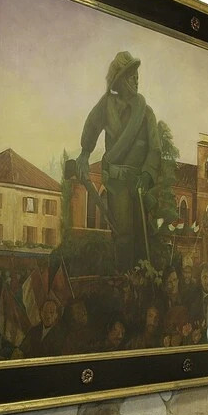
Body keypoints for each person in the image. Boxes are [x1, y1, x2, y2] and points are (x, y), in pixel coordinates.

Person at [76, 51, 161, 273]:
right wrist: (84, 154)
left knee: (143, 236)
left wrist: (147, 175)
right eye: (132, 76)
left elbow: (155, 150)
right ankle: (124, 281)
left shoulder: (146, 113)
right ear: (121, 79)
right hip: (117, 184)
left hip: (140, 184)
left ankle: (143, 280)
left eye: (137, 75)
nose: (137, 79)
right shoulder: (107, 106)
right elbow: (91, 126)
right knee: (123, 237)